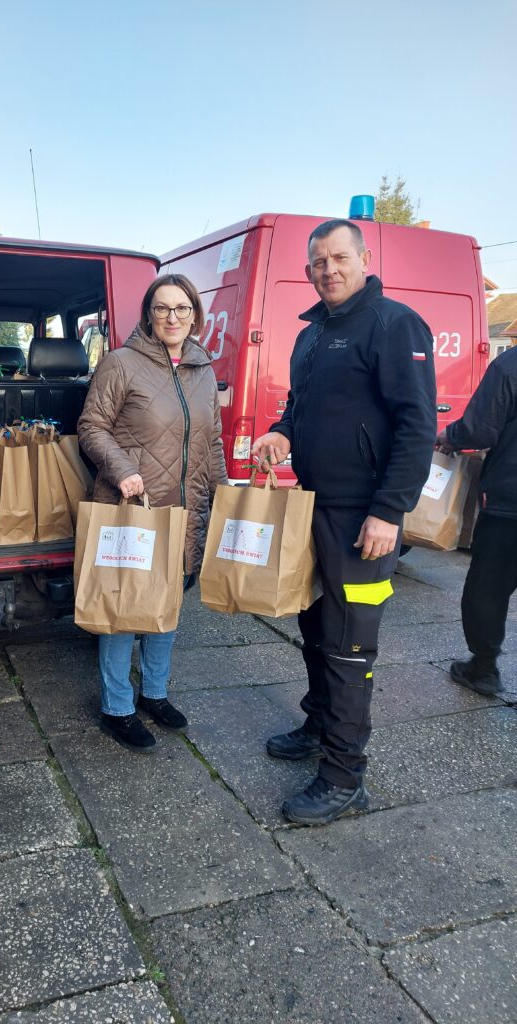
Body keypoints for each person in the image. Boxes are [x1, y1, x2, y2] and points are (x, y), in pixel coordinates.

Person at [251, 219, 437, 825]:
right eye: (318, 262)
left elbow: (416, 424)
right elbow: (297, 406)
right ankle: (318, 725)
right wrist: (281, 432)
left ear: (363, 259)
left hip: (365, 519)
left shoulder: (394, 324)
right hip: (314, 507)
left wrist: (389, 510)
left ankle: (343, 776)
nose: (328, 270)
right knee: (314, 628)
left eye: (339, 258)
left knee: (350, 645)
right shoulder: (311, 334)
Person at [78, 274, 227, 751]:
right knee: (124, 607)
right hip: (134, 507)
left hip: (185, 509)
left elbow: (213, 442)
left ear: (195, 315)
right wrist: (122, 469)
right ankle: (117, 707)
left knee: (169, 603)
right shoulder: (120, 364)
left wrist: (224, 495)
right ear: (148, 315)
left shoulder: (204, 371)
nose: (172, 317)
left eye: (182, 308)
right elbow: (91, 427)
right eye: (162, 308)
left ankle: (155, 693)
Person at [436, 346, 517, 695]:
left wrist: (450, 436)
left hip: (510, 503)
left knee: (489, 587)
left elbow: (480, 430)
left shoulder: (510, 365)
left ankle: (483, 668)